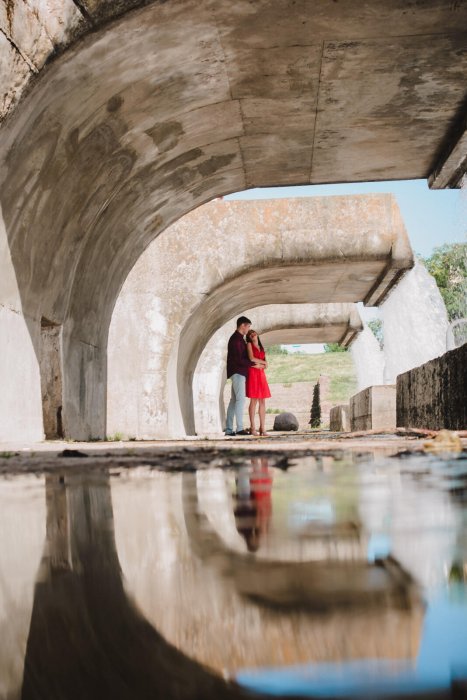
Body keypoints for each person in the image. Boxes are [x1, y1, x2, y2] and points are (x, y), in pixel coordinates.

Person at [225, 316, 262, 436]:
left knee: (234, 401)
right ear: (243, 325)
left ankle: (229, 429)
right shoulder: (236, 340)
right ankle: (239, 428)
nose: (249, 329)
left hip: (236, 372)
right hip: (238, 372)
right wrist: (253, 363)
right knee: (240, 400)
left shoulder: (238, 339)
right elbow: (240, 359)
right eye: (248, 326)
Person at [245, 330, 271, 436]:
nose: (252, 334)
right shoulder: (249, 344)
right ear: (249, 337)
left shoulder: (261, 347)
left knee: (263, 402)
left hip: (261, 374)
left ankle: (262, 428)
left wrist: (262, 365)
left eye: (254, 332)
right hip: (253, 374)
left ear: (257, 334)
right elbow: (251, 358)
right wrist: (264, 363)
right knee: (254, 400)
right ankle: (252, 427)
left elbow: (266, 366)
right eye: (250, 334)